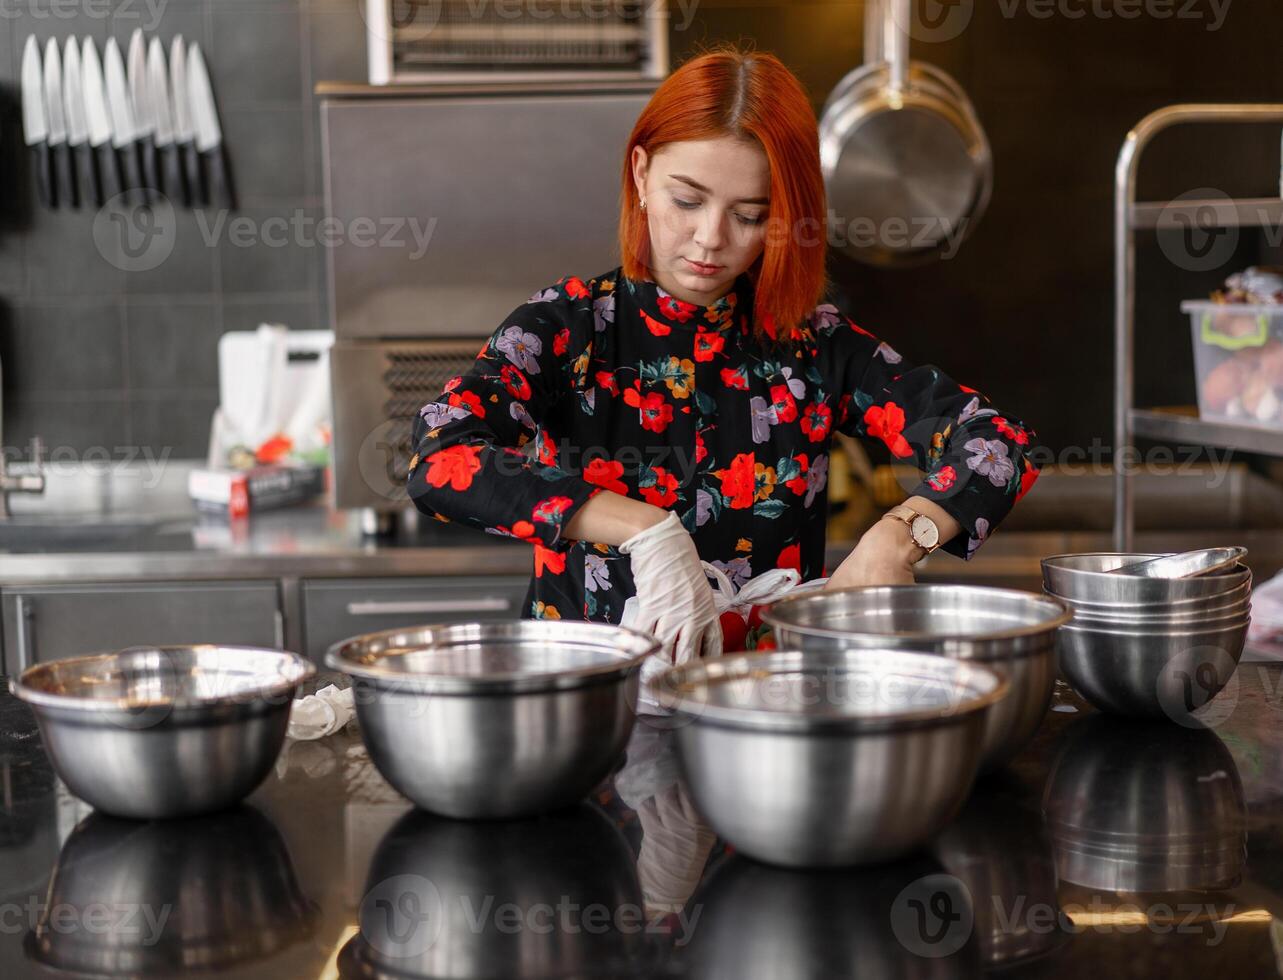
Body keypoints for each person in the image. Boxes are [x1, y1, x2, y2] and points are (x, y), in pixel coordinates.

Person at [407, 45, 1041, 666]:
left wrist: (898, 540)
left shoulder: (811, 345)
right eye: (687, 201)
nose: (710, 239)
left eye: (750, 214)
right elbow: (440, 455)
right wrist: (646, 531)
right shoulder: (568, 328)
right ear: (640, 175)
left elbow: (994, 443)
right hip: (586, 707)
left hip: (767, 704)